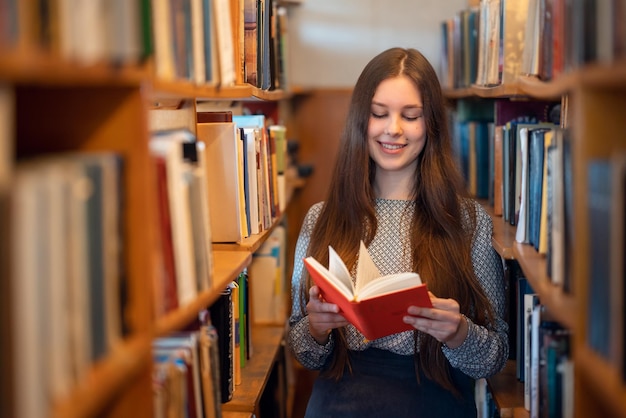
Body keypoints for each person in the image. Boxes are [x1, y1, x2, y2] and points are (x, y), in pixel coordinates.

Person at [287, 47, 509, 417]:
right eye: (379, 114)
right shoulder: (320, 219)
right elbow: (302, 352)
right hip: (339, 402)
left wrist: (458, 333)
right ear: (362, 120)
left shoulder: (468, 221)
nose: (393, 129)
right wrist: (316, 328)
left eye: (411, 116)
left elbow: (495, 356)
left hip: (434, 400)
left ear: (432, 124)